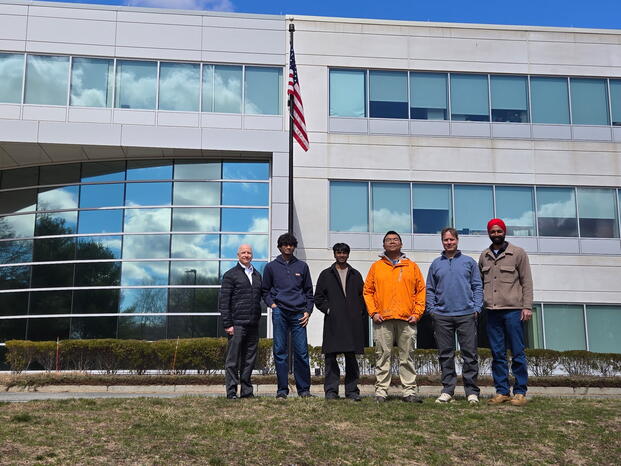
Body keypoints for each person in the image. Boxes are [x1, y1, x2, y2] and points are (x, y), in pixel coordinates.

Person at [363, 231, 426, 403]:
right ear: (383, 245)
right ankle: (381, 392)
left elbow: (421, 291)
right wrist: (373, 312)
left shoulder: (412, 266)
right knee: (382, 356)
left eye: (395, 239)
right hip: (383, 319)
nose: (392, 242)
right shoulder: (376, 267)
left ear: (401, 244)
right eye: (388, 240)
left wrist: (417, 313)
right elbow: (368, 291)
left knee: (407, 356)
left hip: (407, 319)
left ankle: (409, 392)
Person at [479, 218, 533, 406]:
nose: (496, 234)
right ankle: (502, 391)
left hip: (513, 311)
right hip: (492, 312)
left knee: (517, 352)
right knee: (497, 354)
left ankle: (520, 392)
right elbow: (479, 284)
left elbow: (527, 282)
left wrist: (527, 306)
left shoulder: (518, 253)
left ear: (504, 232)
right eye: (493, 232)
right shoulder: (484, 256)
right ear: (489, 233)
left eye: (499, 231)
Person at [426, 228, 483, 404]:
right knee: (445, 355)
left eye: (451, 239)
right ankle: (447, 390)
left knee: (470, 355)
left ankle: (471, 392)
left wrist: (477, 308)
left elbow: (477, 286)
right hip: (442, 315)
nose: (449, 242)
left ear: (457, 240)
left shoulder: (469, 262)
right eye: (446, 240)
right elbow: (430, 289)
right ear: (442, 241)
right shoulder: (436, 264)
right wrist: (432, 309)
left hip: (466, 314)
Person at [261, 233, 314, 399]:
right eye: (285, 244)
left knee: (302, 352)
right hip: (280, 312)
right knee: (280, 351)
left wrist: (308, 311)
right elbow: (265, 291)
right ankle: (282, 390)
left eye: (291, 245)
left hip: (299, 314)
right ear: (280, 247)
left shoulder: (302, 266)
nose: (289, 247)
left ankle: (304, 390)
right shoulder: (271, 267)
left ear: (294, 247)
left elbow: (309, 292)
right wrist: (273, 306)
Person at [314, 243, 367, 401]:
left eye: (344, 252)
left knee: (351, 358)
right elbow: (318, 298)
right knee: (330, 358)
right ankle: (331, 391)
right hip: (333, 322)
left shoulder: (355, 274)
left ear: (348, 254)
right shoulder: (326, 274)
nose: (341, 255)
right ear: (334, 254)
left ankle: (352, 391)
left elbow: (362, 297)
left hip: (352, 323)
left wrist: (359, 313)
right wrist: (329, 310)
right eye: (339, 252)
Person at [219, 244, 263, 399]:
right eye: (243, 252)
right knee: (233, 360)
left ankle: (247, 391)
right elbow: (224, 302)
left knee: (249, 360)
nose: (246, 255)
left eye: (249, 252)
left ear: (252, 255)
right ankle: (231, 392)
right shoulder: (230, 275)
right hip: (236, 324)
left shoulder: (257, 275)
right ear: (238, 255)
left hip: (253, 324)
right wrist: (228, 324)